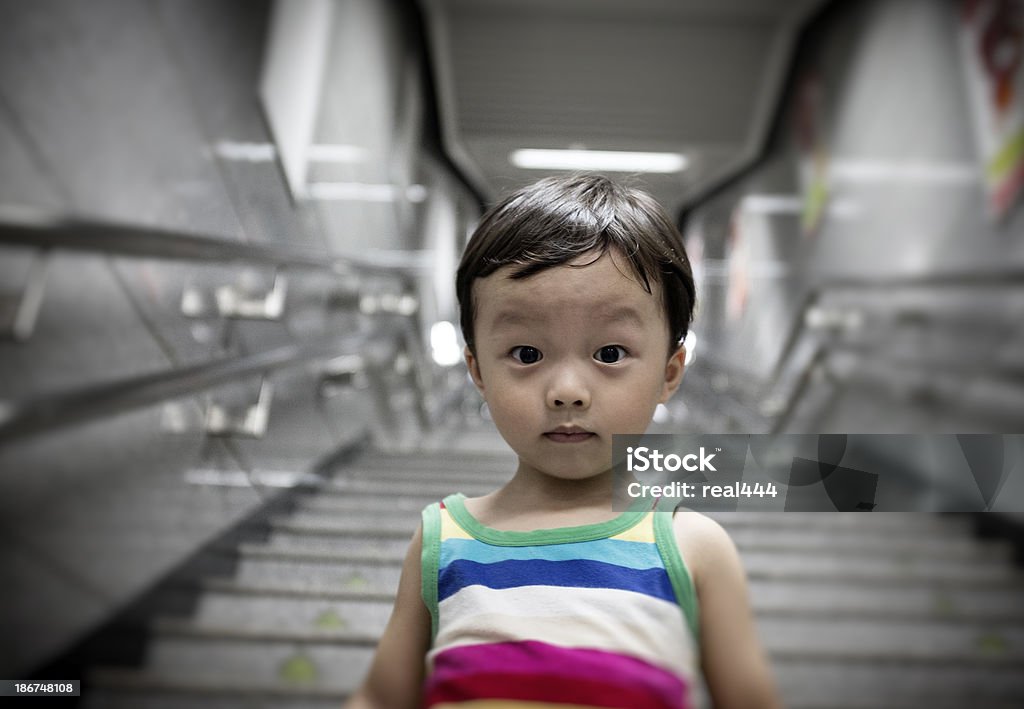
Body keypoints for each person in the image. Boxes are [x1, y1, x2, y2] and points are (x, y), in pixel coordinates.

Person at [345, 174, 781, 708]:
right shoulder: (443, 540)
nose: (568, 392)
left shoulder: (692, 548)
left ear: (670, 372)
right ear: (478, 371)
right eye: (527, 354)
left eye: (610, 354)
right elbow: (380, 697)